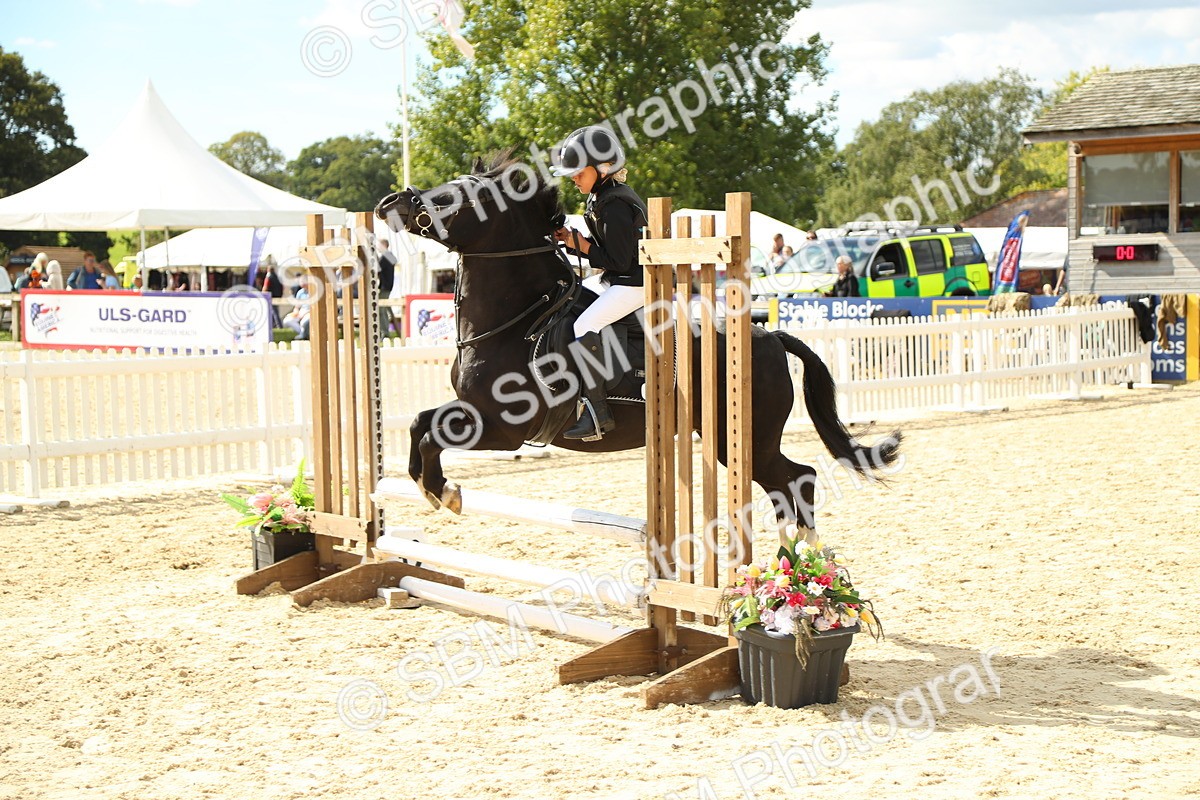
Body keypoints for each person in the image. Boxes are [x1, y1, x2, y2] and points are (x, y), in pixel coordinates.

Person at [551, 124, 648, 441]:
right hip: (619, 279)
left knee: (583, 326)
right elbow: (605, 250)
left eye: (579, 171)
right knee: (571, 304)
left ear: (602, 168)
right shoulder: (603, 197)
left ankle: (598, 414)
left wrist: (583, 246)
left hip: (636, 283)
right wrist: (571, 242)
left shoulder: (615, 202)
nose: (573, 177)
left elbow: (619, 260)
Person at [377, 237, 398, 338]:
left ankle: (384, 332)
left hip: (385, 286)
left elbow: (376, 267)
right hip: (387, 286)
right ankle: (388, 331)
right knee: (385, 309)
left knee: (381, 310)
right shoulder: (389, 256)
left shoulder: (386, 256)